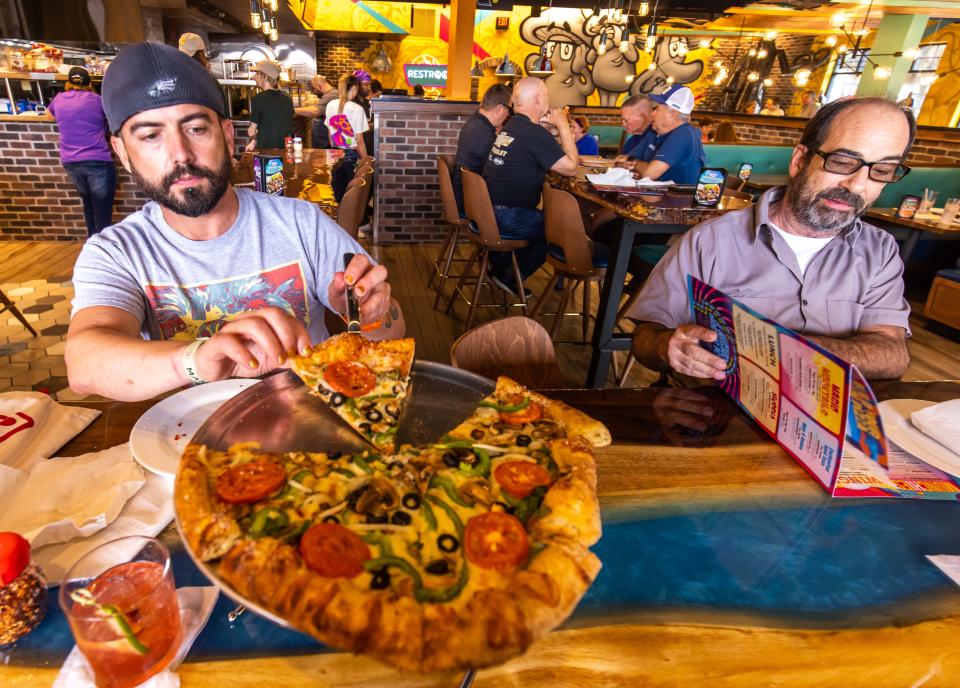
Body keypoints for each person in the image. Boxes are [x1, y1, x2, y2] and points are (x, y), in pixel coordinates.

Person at [65, 42, 402, 402]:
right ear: (122, 153)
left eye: (196, 129)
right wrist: (196, 360)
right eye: (151, 136)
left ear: (227, 136)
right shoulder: (116, 252)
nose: (180, 154)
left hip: (311, 426)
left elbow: (394, 331)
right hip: (187, 440)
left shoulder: (303, 222)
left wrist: (371, 313)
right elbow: (84, 365)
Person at [628, 97, 915, 381]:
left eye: (882, 171)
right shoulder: (711, 240)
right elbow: (646, 338)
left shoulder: (879, 250)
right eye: (841, 162)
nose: (857, 185)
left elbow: (892, 353)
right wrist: (669, 347)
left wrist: (782, 351)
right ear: (800, 160)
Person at [481, 77, 579, 297]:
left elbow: (536, 149)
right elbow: (572, 168)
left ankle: (500, 268)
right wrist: (563, 123)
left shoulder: (512, 126)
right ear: (538, 98)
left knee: (544, 219)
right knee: (558, 228)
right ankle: (509, 275)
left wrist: (550, 132)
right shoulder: (533, 134)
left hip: (487, 212)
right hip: (504, 217)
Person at [47, 66, 116, 236]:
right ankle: (105, 247)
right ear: (89, 83)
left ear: (69, 82)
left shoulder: (59, 99)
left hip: (71, 162)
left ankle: (92, 242)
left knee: (88, 204)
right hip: (97, 159)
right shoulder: (98, 100)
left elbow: (48, 116)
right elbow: (113, 117)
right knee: (102, 207)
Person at [452, 83, 512, 214]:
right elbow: (499, 173)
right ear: (500, 109)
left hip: (462, 194)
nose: (508, 115)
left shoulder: (475, 123)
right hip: (470, 202)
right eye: (509, 110)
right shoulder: (484, 134)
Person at [631, 85, 705, 185]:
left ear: (673, 114)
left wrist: (634, 164)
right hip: (658, 196)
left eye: (657, 109)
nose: (652, 114)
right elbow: (628, 160)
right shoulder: (659, 133)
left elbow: (649, 173)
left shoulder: (684, 134)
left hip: (676, 199)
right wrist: (637, 165)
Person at [326, 73, 369, 202]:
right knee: (351, 195)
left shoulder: (330, 105)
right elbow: (359, 140)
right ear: (355, 88)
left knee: (336, 193)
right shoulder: (357, 109)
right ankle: (350, 220)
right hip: (351, 155)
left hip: (333, 154)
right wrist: (365, 161)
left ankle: (336, 220)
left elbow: (330, 134)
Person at [245, 60, 294, 151]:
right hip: (286, 151)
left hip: (266, 152)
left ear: (265, 76)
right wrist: (254, 142)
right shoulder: (288, 98)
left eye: (257, 73)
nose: (254, 77)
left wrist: (253, 138)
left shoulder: (258, 99)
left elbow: (251, 131)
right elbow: (274, 125)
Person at [295, 74, 337, 148]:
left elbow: (315, 111)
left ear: (319, 86)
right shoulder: (330, 94)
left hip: (325, 143)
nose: (314, 92)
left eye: (314, 89)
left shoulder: (331, 95)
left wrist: (292, 109)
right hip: (323, 140)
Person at [614, 94, 657, 166]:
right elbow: (619, 160)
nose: (623, 124)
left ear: (643, 117)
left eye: (626, 120)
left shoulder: (657, 136)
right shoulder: (636, 137)